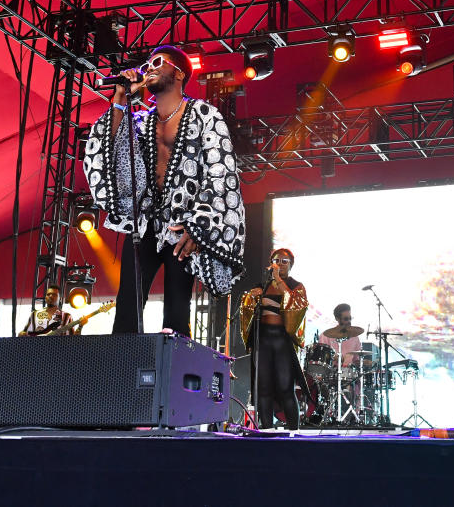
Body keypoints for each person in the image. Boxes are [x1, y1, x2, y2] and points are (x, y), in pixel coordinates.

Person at [82, 45, 245, 337]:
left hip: (184, 226)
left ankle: (174, 376)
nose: (149, 69)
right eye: (146, 66)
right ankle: (123, 372)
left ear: (179, 73)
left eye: (157, 62)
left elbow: (221, 173)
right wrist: (121, 99)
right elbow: (112, 153)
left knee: (176, 313)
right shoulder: (142, 122)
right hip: (146, 224)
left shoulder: (205, 115)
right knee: (127, 310)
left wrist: (200, 227)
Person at [240, 248, 309, 430]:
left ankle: (294, 430)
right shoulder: (262, 286)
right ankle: (266, 430)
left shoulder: (296, 286)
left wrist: (278, 280)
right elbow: (247, 311)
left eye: (284, 261)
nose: (280, 264)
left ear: (291, 265)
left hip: (282, 342)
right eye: (276, 260)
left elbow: (296, 305)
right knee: (263, 388)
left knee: (286, 387)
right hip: (263, 340)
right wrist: (250, 298)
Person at [18, 285, 83, 336]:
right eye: (48, 294)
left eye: (54, 295)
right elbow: (24, 333)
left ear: (60, 299)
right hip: (37, 351)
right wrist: (21, 334)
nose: (51, 296)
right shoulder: (34, 314)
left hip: (58, 351)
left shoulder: (66, 316)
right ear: (45, 297)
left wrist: (80, 326)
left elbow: (74, 338)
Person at [319, 303, 363, 368]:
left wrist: (364, 362)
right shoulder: (326, 335)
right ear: (337, 318)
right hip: (331, 373)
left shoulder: (355, 337)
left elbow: (357, 360)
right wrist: (339, 358)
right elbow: (321, 356)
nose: (349, 321)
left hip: (349, 374)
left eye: (350, 318)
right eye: (346, 319)